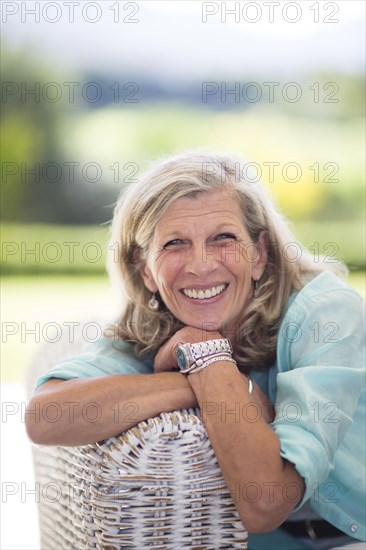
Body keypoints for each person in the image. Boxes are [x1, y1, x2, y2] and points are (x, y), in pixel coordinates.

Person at [26, 151, 365, 550]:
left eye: (223, 238)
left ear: (259, 254)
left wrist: (207, 363)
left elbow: (266, 502)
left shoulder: (325, 313)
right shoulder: (157, 325)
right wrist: (201, 376)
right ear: (146, 269)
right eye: (174, 244)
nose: (201, 266)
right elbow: (46, 415)